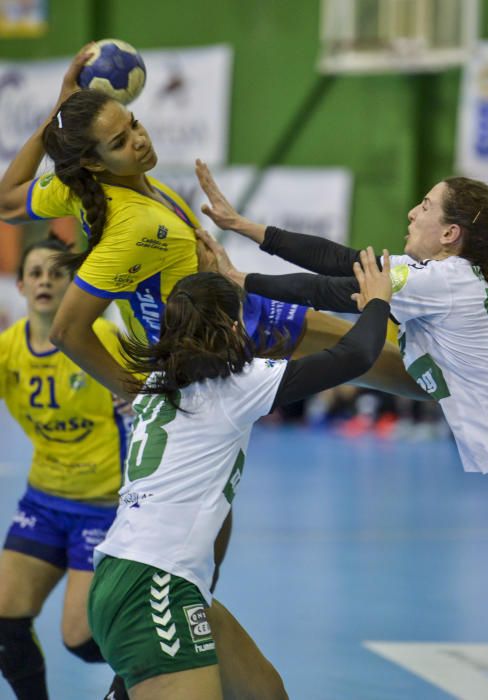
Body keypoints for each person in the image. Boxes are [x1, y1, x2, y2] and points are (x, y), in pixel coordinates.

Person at [0, 47, 424, 699]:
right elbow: (67, 330)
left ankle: (473, 390)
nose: (139, 142)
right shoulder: (133, 226)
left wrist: (61, 103)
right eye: (119, 141)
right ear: (93, 162)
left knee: (380, 359)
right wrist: (130, 388)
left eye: (134, 126)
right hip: (216, 331)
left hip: (219, 308)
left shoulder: (82, 184)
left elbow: (5, 197)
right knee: (370, 356)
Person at [195, 161, 488, 700]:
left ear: (450, 234)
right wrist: (244, 227)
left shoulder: (440, 282)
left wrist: (242, 280)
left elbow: (334, 287)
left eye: (424, 205)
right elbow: (343, 261)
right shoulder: (443, 282)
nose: (410, 211)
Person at [88, 258, 392, 700]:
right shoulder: (237, 384)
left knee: (265, 694)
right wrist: (378, 301)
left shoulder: (159, 379)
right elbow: (356, 356)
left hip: (144, 573)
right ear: (233, 325)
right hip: (154, 584)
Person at [0, 236, 129, 700]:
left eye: (57, 273)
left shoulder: (105, 340)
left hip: (103, 508)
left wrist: (134, 393)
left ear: (73, 284)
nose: (45, 281)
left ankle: (154, 671)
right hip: (43, 500)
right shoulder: (9, 349)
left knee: (80, 638)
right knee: (4, 619)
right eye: (35, 273)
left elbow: (152, 389)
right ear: (20, 286)